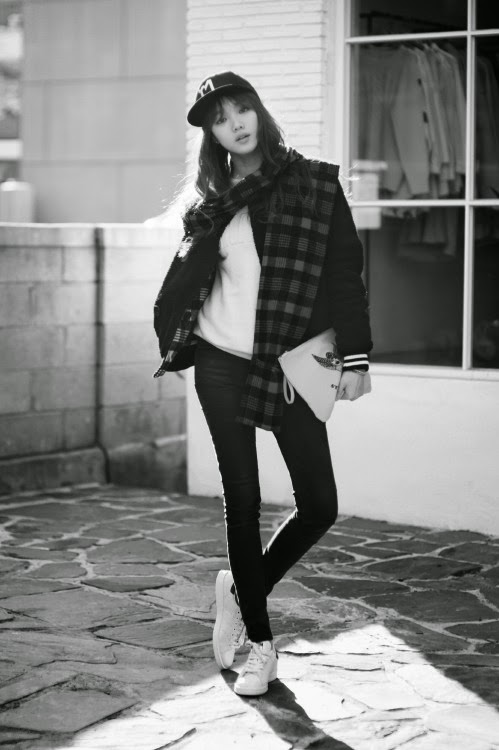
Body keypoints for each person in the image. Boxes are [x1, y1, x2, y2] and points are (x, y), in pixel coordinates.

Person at [153, 71, 373, 697]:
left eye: (241, 109)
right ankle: (262, 645)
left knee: (319, 505)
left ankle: (241, 587)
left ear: (258, 111)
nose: (236, 124)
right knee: (243, 500)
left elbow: (345, 275)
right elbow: (187, 284)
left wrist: (356, 358)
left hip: (289, 364)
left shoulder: (315, 185)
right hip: (222, 363)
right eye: (221, 119)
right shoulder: (211, 203)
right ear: (213, 135)